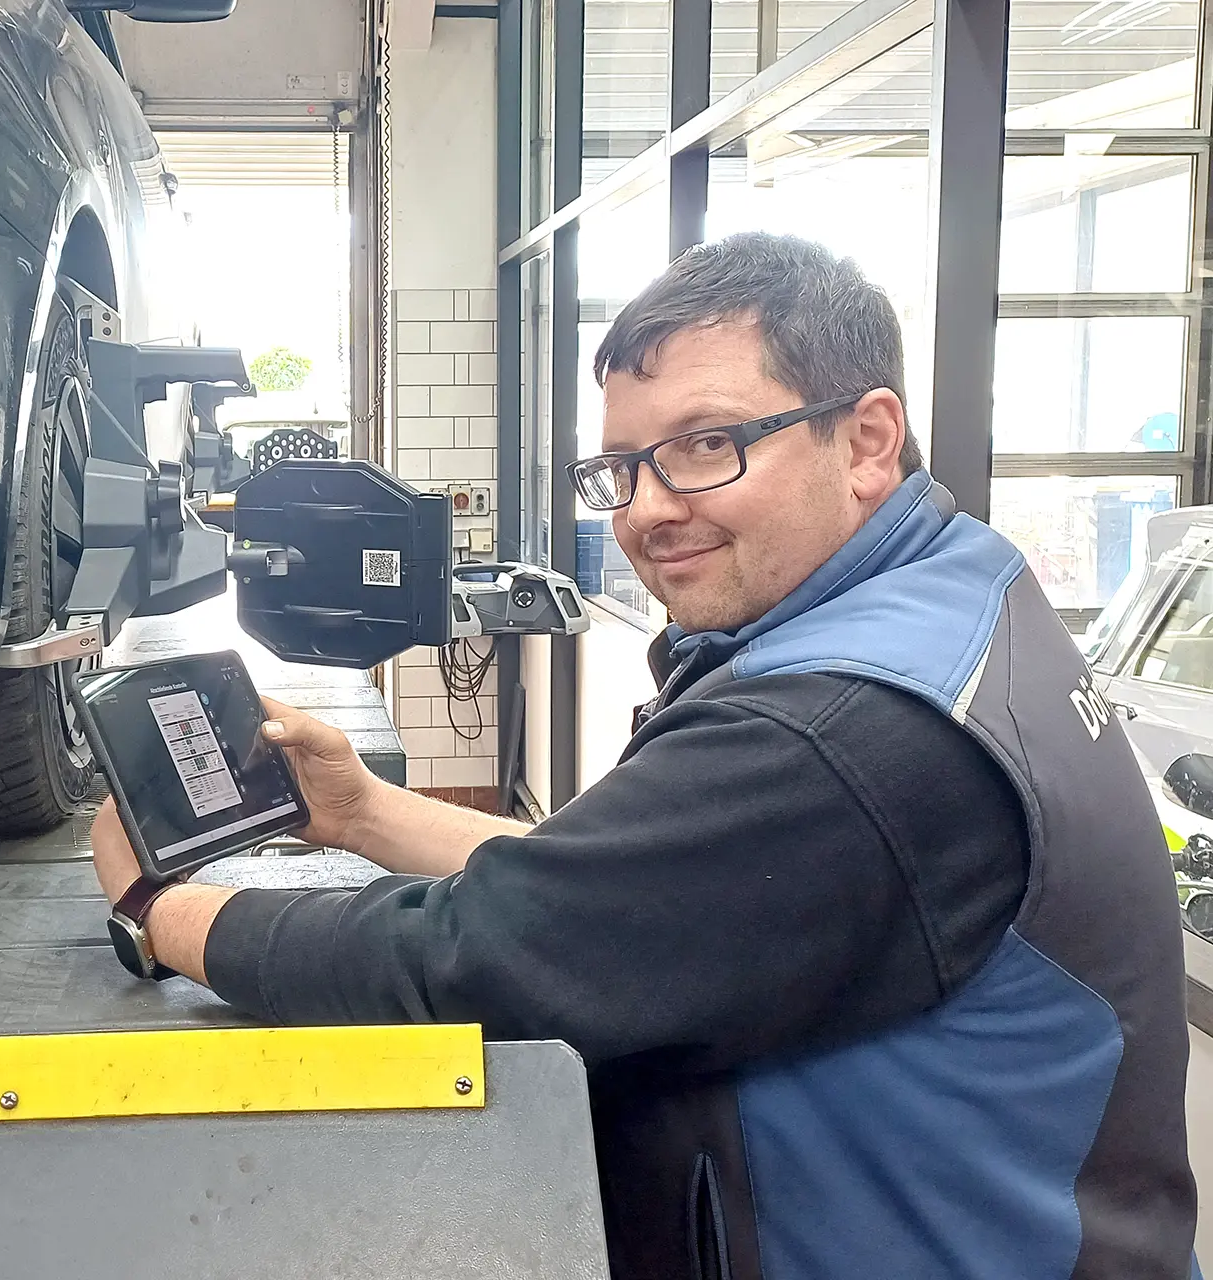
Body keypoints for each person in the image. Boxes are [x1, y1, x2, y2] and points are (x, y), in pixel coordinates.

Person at [89, 231, 1196, 1278]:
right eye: (622, 465)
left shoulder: (842, 733)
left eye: (708, 445)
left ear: (866, 439)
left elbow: (488, 961)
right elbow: (626, 896)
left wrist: (165, 907)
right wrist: (364, 811)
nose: (650, 508)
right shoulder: (952, 584)